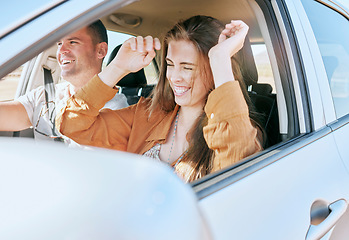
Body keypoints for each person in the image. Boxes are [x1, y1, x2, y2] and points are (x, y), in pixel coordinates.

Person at [57, 15, 263, 182]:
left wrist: (220, 59)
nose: (174, 77)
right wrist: (117, 68)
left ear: (214, 70)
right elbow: (72, 125)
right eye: (171, 64)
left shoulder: (238, 128)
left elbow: (236, 174)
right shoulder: (147, 114)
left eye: (187, 67)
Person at [0, 20, 129, 143]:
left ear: (101, 50)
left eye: (72, 42)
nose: (61, 51)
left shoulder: (117, 110)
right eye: (59, 44)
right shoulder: (43, 97)